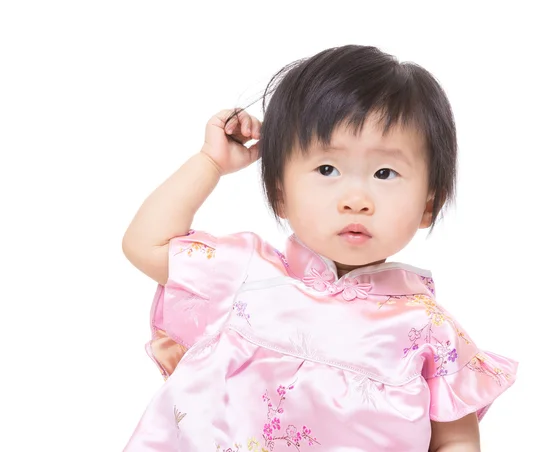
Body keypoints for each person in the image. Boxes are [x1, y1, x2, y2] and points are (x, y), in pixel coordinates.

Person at [121, 44, 518, 451]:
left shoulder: (430, 331)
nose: (356, 199)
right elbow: (144, 244)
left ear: (427, 205)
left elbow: (456, 441)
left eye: (385, 172)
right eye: (327, 169)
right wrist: (210, 161)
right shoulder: (246, 274)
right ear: (280, 192)